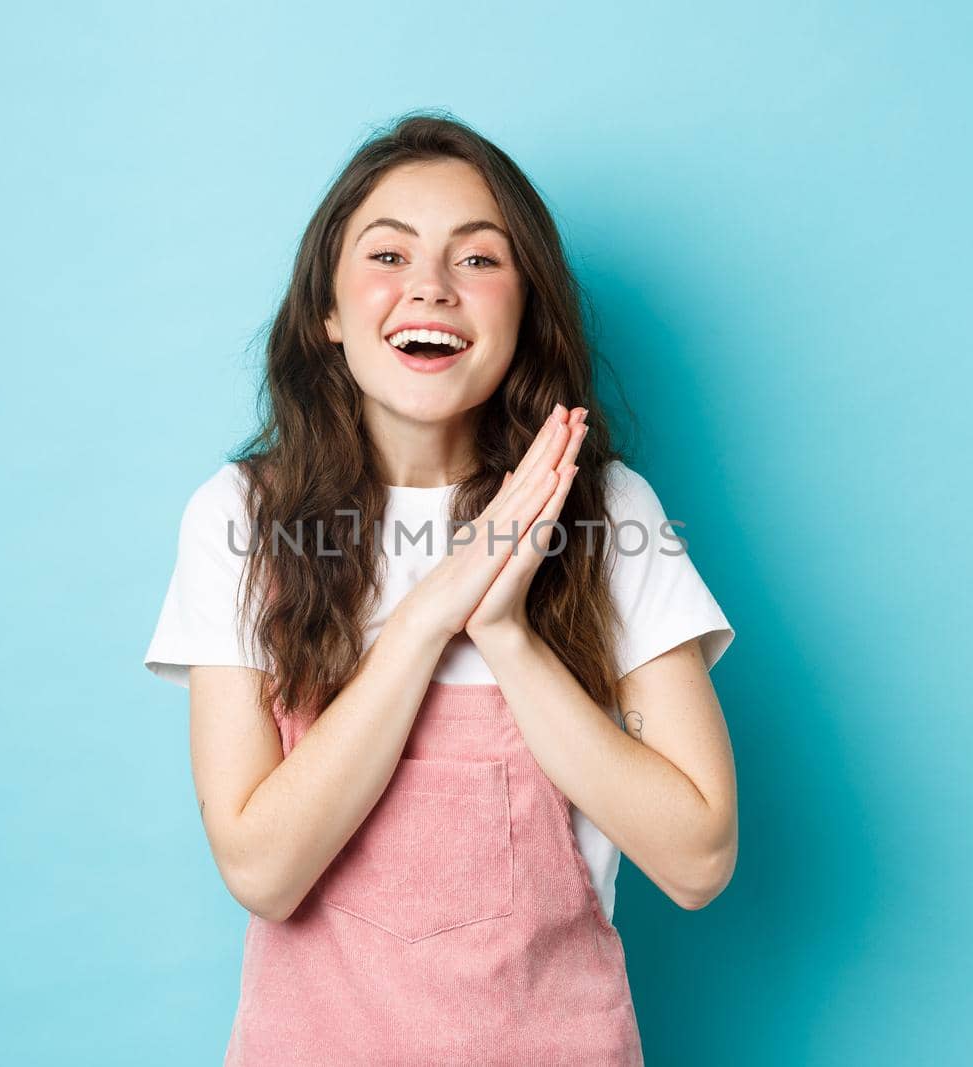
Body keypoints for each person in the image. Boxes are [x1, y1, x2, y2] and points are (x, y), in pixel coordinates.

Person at [142, 111, 738, 1065]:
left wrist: (505, 630)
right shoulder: (241, 518)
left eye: (478, 259)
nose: (429, 286)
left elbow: (700, 858)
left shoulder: (606, 511)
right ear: (327, 312)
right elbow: (262, 867)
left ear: (526, 310)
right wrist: (427, 617)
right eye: (387, 253)